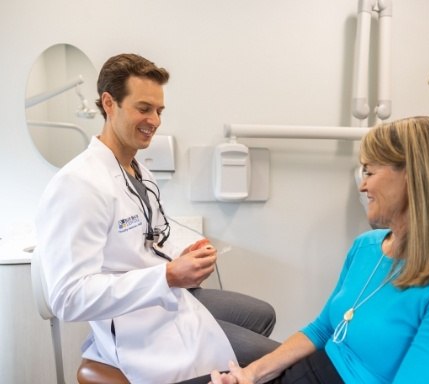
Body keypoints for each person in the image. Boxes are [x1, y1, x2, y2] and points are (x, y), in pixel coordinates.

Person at [178, 116, 429, 384]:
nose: (362, 185)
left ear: (414, 177)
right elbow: (322, 328)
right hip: (305, 372)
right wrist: (249, 375)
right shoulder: (368, 247)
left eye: (369, 171)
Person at [33, 53, 279, 384]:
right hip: (135, 326)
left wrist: (186, 255)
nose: (155, 120)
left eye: (159, 111)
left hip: (162, 302)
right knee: (276, 363)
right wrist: (167, 277)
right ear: (109, 103)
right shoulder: (78, 185)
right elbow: (69, 298)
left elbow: (149, 238)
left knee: (263, 316)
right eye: (144, 108)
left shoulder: (138, 171)